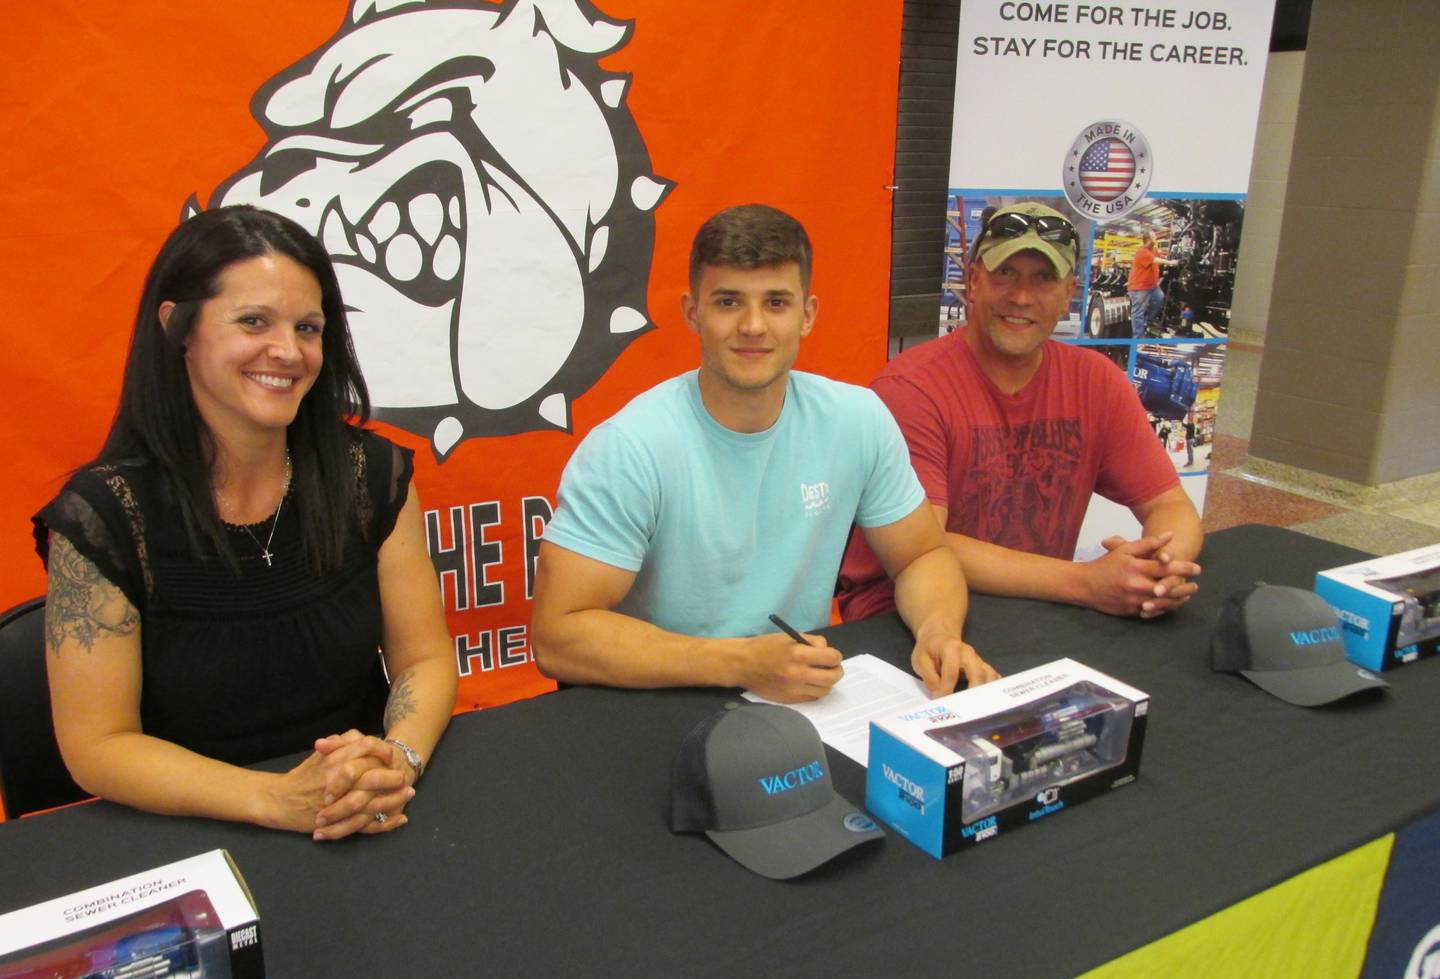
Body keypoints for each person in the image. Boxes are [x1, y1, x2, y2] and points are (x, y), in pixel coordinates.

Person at [34, 206, 457, 840]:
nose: (287, 352)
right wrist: (274, 798)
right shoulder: (103, 517)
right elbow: (99, 745)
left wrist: (397, 761)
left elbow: (424, 658)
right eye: (253, 321)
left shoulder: (372, 474)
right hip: (194, 830)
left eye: (308, 327)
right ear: (178, 328)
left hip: (362, 810)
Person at [532, 204, 997, 703]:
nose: (753, 326)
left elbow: (922, 555)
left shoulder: (858, 419)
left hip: (796, 693)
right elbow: (559, 637)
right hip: (658, 698)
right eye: (728, 302)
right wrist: (742, 663)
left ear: (808, 315)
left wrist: (938, 631)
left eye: (776, 303)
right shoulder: (630, 448)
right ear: (693, 313)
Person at [838, 201, 1202, 622]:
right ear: (973, 281)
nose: (1022, 296)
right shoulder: (911, 390)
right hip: (907, 619)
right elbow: (921, 544)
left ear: (1069, 294)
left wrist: (1158, 572)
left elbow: (1171, 506)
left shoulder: (1096, 381)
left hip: (1042, 613)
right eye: (1005, 273)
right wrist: (1085, 582)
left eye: (1044, 278)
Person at [1127, 229, 1178, 338]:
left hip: (1152, 286)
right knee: (1138, 312)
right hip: (1140, 287)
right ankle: (1138, 337)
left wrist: (1172, 256)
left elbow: (1161, 257)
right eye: (1154, 237)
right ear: (1148, 239)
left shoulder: (1154, 249)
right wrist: (1170, 263)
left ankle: (1146, 322)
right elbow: (1155, 260)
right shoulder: (1142, 251)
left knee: (1160, 299)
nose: (1156, 238)